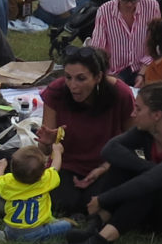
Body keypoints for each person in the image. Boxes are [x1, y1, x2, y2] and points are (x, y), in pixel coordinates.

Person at [52, 81, 162, 244]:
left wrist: (102, 199)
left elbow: (150, 182)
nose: (133, 114)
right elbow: (109, 150)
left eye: (138, 109)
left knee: (150, 186)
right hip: (159, 211)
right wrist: (154, 168)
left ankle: (98, 243)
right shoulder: (146, 133)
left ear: (156, 115)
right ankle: (95, 227)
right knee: (124, 165)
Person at [38, 45, 136, 215]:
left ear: (98, 77)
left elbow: (131, 142)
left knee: (100, 202)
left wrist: (104, 168)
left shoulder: (121, 94)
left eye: (81, 79)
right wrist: (46, 144)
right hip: (67, 165)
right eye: (68, 77)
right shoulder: (56, 91)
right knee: (62, 204)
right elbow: (47, 150)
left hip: (106, 165)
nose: (73, 85)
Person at [0, 144, 71, 242]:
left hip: (11, 231)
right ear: (42, 172)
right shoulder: (45, 181)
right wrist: (57, 151)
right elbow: (55, 168)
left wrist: (1, 167)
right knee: (67, 225)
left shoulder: (8, 182)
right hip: (36, 232)